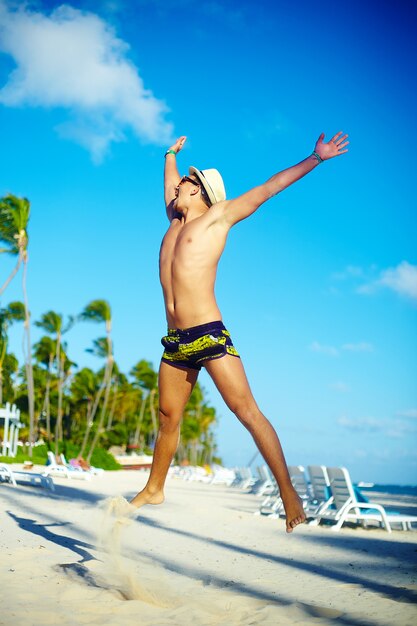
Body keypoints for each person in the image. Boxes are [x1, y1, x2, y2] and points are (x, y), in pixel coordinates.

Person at [130, 132, 349, 532]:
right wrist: (169, 155)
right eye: (178, 183)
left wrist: (315, 158)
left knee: (246, 411)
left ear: (201, 192)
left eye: (186, 183)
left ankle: (287, 491)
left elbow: (269, 188)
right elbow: (168, 184)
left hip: (209, 333)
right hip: (175, 341)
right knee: (167, 417)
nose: (177, 186)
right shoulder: (174, 219)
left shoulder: (220, 217)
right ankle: (155, 487)